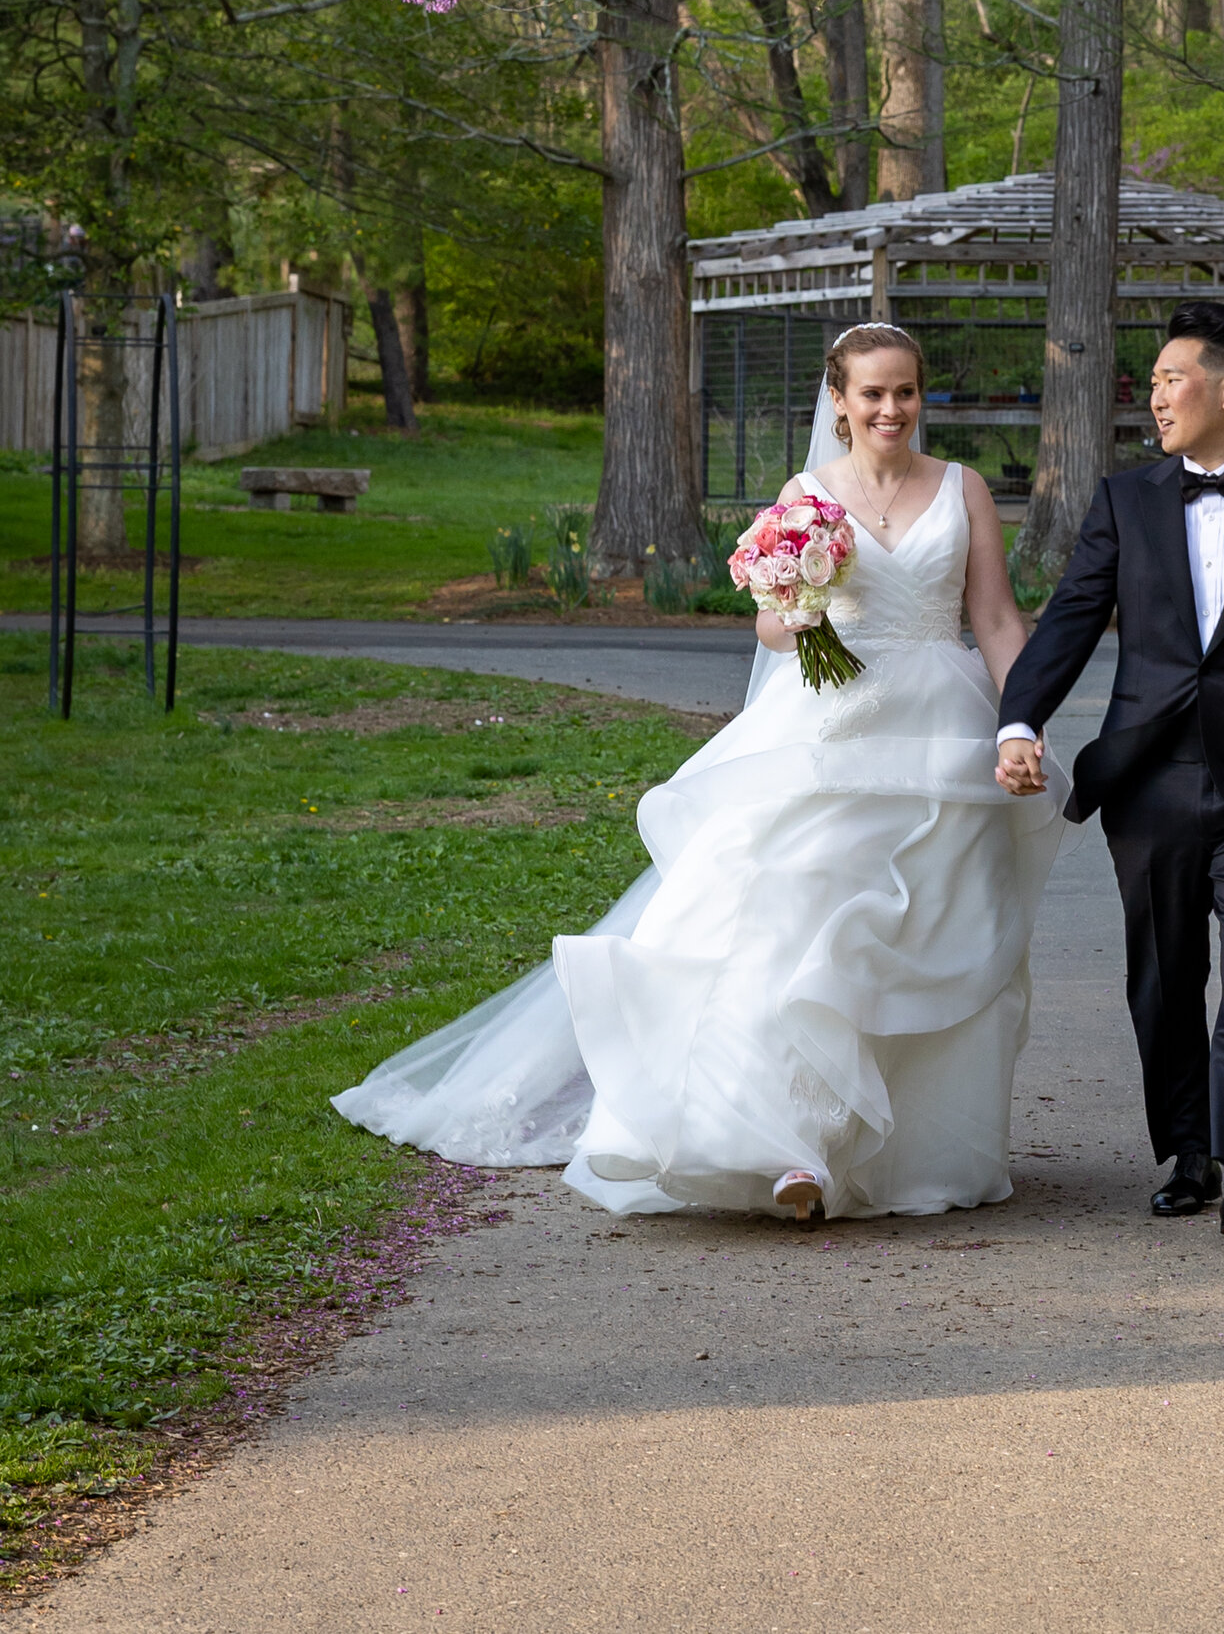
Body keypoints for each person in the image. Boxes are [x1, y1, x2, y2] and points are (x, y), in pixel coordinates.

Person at [333, 324, 1066, 1221]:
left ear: (922, 396)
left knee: (927, 933)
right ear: (838, 400)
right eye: (871, 393)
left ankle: (901, 1154)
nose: (889, 409)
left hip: (940, 730)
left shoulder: (964, 489)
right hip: (831, 722)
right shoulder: (806, 494)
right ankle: (782, 1148)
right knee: (786, 915)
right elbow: (766, 627)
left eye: (905, 392)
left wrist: (1018, 722)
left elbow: (994, 617)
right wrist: (795, 613)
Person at [995, 299, 1224, 1237]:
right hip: (1150, 780)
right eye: (1152, 380)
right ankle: (1190, 1151)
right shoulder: (1125, 501)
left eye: (1171, 377)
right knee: (1163, 979)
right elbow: (1073, 616)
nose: (1153, 395)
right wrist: (1020, 719)